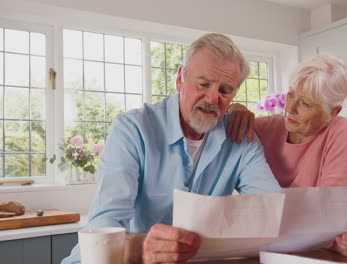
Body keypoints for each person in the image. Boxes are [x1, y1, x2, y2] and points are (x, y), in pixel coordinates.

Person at [62, 33, 282, 264]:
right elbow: (103, 225)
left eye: (225, 91)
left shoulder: (240, 137)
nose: (212, 98)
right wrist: (140, 248)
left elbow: (271, 209)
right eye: (204, 84)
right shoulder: (132, 129)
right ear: (180, 79)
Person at [227, 54, 347, 258]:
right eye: (290, 95)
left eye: (305, 104)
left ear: (332, 112)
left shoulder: (343, 131)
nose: (289, 108)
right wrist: (235, 108)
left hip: (313, 253)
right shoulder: (264, 129)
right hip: (263, 250)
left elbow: (331, 214)